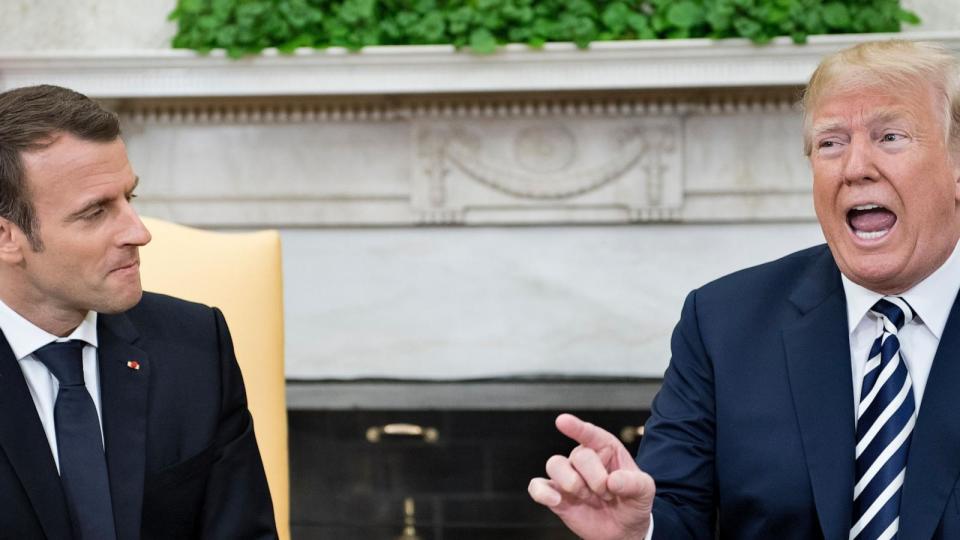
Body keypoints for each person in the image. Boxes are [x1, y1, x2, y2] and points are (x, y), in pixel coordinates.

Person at [529, 39, 960, 540]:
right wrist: (637, 531)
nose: (855, 167)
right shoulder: (722, 322)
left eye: (890, 136)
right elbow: (675, 512)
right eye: (830, 143)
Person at [0, 85, 277, 538]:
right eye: (95, 212)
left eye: (130, 198)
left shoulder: (197, 344)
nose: (139, 232)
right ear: (6, 237)